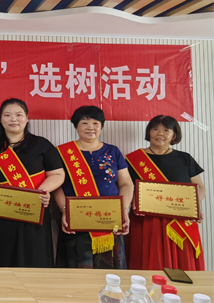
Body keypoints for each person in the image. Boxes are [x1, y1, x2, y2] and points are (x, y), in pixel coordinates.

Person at [0, 98, 65, 267]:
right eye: (7, 115)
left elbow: (58, 174)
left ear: (27, 118)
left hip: (31, 213)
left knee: (31, 262)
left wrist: (43, 190)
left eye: (19, 115)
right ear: (1, 119)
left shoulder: (41, 145)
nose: (13, 119)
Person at [54, 105, 134, 269]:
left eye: (96, 123)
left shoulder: (113, 151)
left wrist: (124, 210)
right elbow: (56, 185)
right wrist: (64, 210)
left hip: (109, 220)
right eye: (84, 123)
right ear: (76, 126)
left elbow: (126, 183)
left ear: (101, 126)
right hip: (76, 220)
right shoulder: (62, 152)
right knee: (77, 270)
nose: (90, 127)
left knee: (111, 273)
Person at [126, 115, 205, 271]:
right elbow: (127, 187)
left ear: (174, 135)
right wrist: (133, 200)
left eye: (166, 130)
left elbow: (200, 187)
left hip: (180, 219)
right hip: (146, 221)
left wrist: (195, 206)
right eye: (155, 129)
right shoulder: (132, 160)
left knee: (183, 266)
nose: (160, 134)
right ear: (149, 132)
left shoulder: (185, 158)